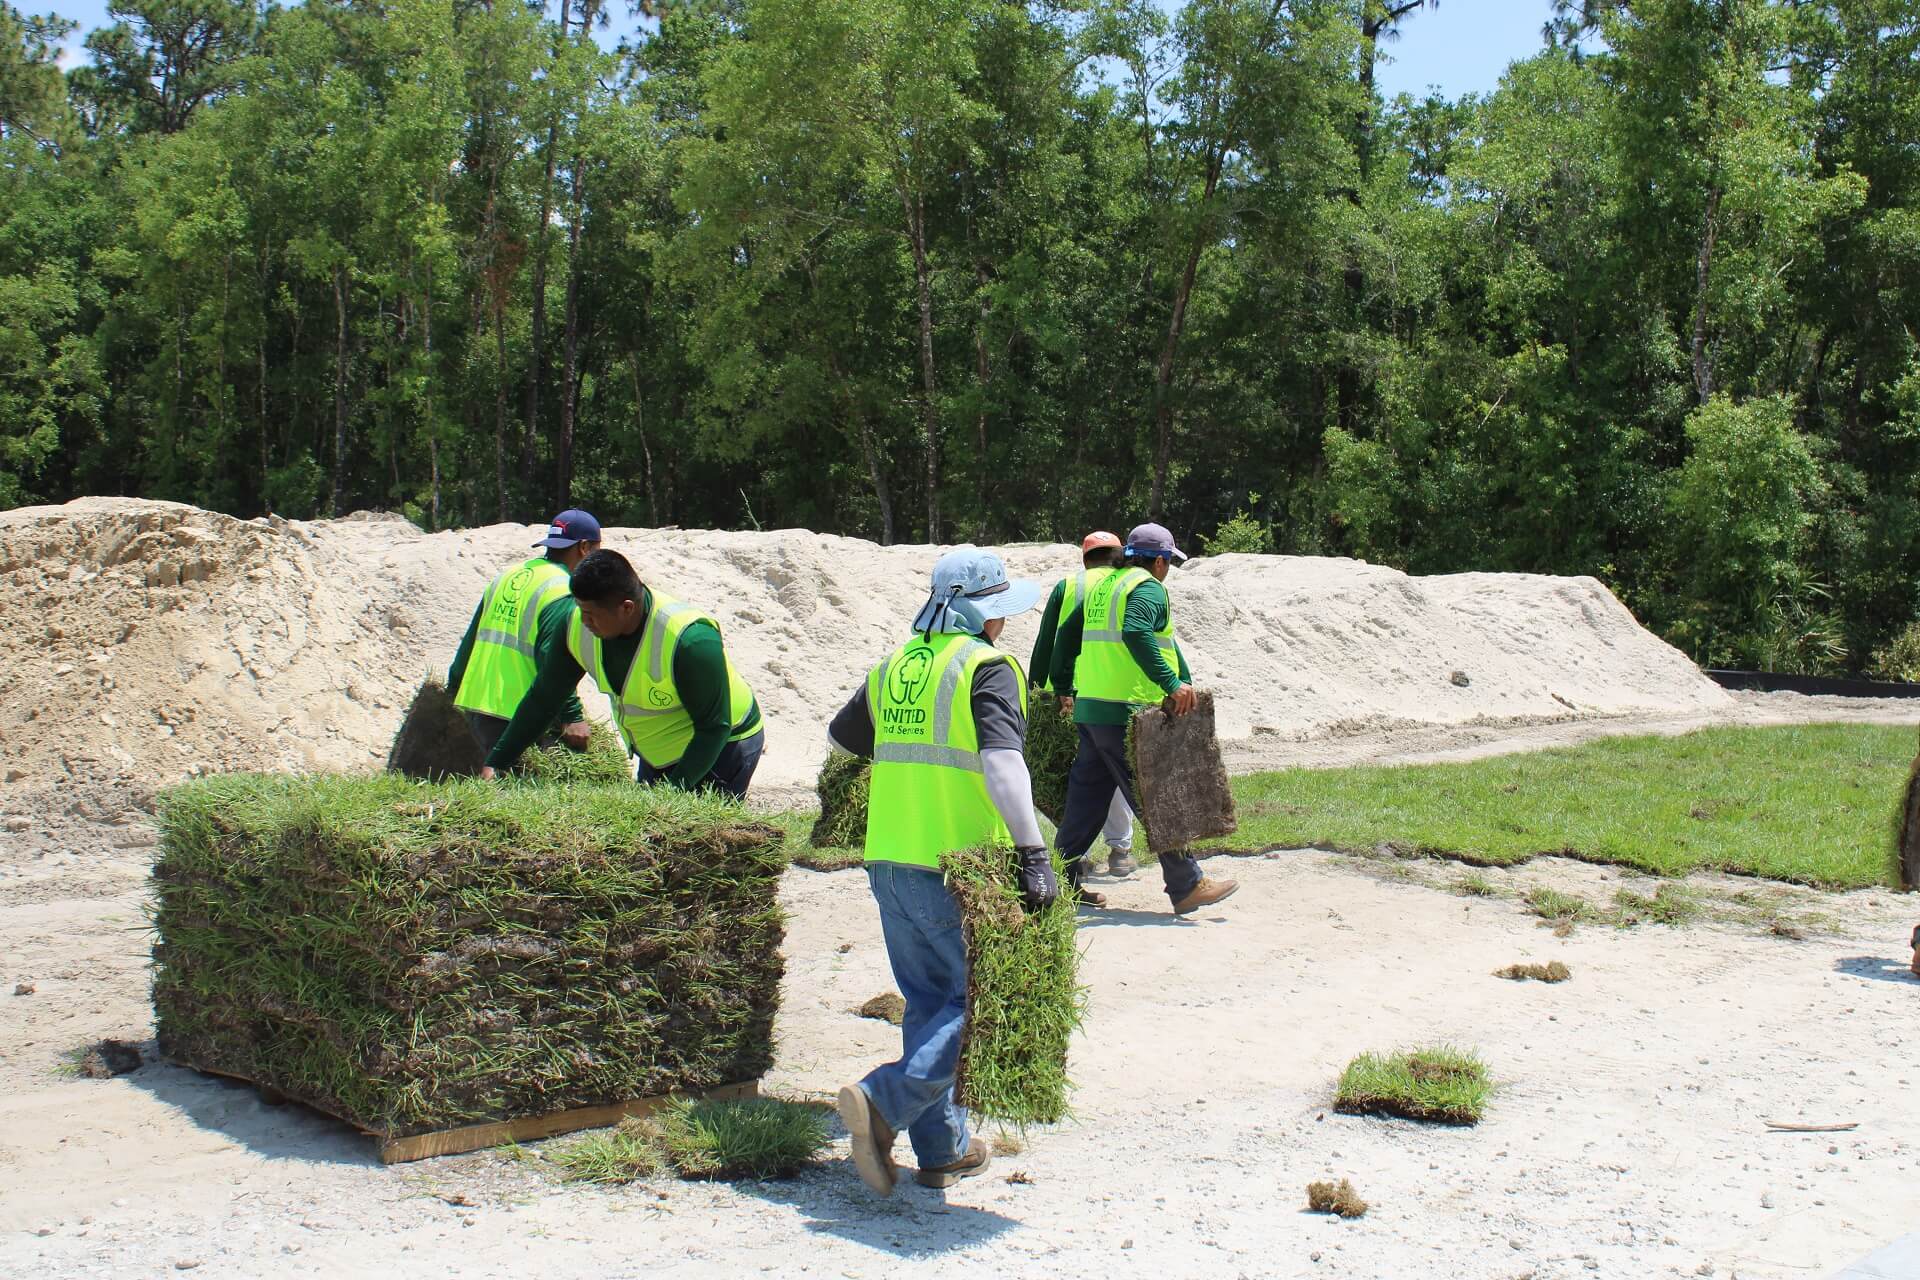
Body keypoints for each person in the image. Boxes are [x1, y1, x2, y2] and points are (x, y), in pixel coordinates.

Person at [827, 548, 1056, 1197]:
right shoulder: (987, 668)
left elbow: (842, 740)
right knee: (974, 1004)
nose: (1004, 624)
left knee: (929, 1003)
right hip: (953, 865)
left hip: (888, 858)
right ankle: (882, 1102)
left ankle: (942, 1149)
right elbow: (1004, 766)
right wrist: (1032, 853)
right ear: (985, 614)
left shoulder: (897, 664)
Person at [1048, 522, 1239, 916]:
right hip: (1126, 712)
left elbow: (1067, 634)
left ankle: (1058, 882)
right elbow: (1137, 632)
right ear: (1159, 560)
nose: (1167, 570)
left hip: (1093, 710)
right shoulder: (1147, 588)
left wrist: (1064, 686)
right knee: (1154, 797)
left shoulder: (1103, 587)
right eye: (1168, 562)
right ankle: (1187, 884)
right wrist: (1171, 683)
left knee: (1086, 800)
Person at [478, 549, 764, 797]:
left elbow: (714, 727)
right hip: (659, 748)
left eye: (591, 614)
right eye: (580, 609)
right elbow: (545, 697)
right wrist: (498, 761)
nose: (583, 620)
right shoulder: (575, 624)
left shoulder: (690, 641)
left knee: (699, 841)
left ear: (626, 608)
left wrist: (670, 796)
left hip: (724, 743)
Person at [445, 509, 601, 761]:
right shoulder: (563, 590)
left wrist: (452, 688)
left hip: (478, 706)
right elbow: (553, 661)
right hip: (519, 713)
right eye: (597, 552)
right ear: (584, 547)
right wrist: (572, 717)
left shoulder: (507, 576)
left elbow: (470, 642)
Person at [1031, 530, 1138, 881]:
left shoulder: (1069, 585)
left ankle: (1076, 857)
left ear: (1084, 558)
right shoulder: (1128, 584)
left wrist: (1038, 688)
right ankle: (1121, 850)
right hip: (1115, 692)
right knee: (1116, 772)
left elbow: (1050, 639)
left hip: (1071, 695)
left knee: (1079, 777)